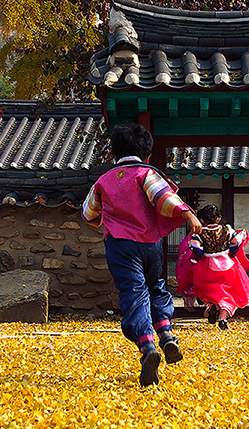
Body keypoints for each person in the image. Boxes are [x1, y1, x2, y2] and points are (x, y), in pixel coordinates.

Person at [83, 123, 202, 386]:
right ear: (147, 155)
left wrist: (107, 215)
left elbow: (88, 213)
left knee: (134, 293)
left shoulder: (103, 181)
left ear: (115, 153)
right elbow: (162, 196)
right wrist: (187, 214)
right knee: (156, 287)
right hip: (150, 244)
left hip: (120, 246)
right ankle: (167, 336)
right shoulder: (146, 173)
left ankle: (148, 347)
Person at [175, 203, 249, 329]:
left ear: (202, 220)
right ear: (218, 218)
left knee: (210, 289)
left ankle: (212, 305)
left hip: (207, 266)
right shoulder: (227, 229)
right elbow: (235, 242)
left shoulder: (200, 233)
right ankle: (222, 318)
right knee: (228, 292)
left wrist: (200, 255)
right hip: (228, 266)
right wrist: (232, 251)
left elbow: (195, 247)